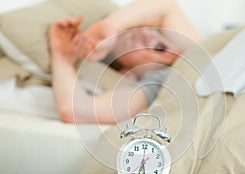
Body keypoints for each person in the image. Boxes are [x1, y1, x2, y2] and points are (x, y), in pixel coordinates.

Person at [48, 0, 201, 124]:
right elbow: (74, 110)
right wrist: (62, 56)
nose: (144, 33)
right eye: (131, 41)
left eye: (145, 28)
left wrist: (111, 27)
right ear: (128, 73)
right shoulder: (159, 84)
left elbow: (166, 5)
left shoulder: (195, 49)